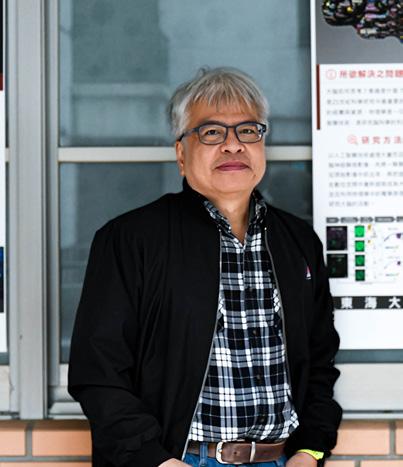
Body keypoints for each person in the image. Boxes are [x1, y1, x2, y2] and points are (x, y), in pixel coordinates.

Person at [68, 67, 342, 467]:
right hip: (178, 460)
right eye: (212, 132)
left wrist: (310, 451)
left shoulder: (297, 241)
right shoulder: (130, 239)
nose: (233, 146)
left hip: (281, 460)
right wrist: (154, 460)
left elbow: (320, 362)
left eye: (248, 130)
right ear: (181, 153)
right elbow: (98, 371)